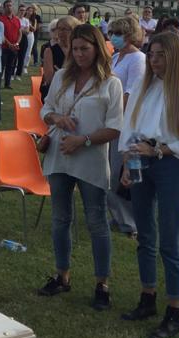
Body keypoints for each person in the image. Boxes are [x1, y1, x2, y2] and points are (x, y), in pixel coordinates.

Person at [118, 31, 179, 338]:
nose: (154, 61)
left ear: (173, 57)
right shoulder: (144, 88)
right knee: (145, 234)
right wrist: (128, 164)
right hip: (141, 160)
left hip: (170, 164)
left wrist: (159, 150)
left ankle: (175, 309)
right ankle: (148, 297)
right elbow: (131, 129)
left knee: (170, 237)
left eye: (160, 55)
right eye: (151, 55)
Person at [38, 24, 123, 308]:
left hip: (90, 159)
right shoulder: (62, 76)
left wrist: (83, 140)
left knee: (96, 221)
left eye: (85, 48)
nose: (79, 54)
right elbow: (45, 109)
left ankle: (102, 283)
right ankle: (62, 275)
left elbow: (114, 129)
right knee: (60, 219)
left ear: (98, 48)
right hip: (60, 156)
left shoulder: (111, 83)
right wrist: (56, 120)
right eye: (75, 49)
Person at [105, 16, 146, 235]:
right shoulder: (115, 57)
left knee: (123, 173)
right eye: (112, 33)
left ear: (129, 35)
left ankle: (131, 222)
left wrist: (114, 114)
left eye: (117, 34)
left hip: (125, 122)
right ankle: (119, 216)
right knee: (111, 172)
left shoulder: (138, 59)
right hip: (111, 120)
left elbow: (131, 93)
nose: (113, 38)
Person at [41, 15, 77, 103]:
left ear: (74, 30)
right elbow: (49, 79)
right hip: (54, 92)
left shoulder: (78, 50)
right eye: (59, 29)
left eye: (65, 29)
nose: (60, 32)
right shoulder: (50, 51)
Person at [0, 0, 22, 89]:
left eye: (10, 5)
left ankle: (7, 84)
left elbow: (20, 33)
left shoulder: (16, 20)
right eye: (7, 6)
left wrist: (16, 43)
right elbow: (1, 34)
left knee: (10, 66)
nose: (9, 7)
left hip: (14, 47)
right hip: (4, 47)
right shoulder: (0, 19)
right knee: (1, 66)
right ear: (4, 8)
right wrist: (9, 44)